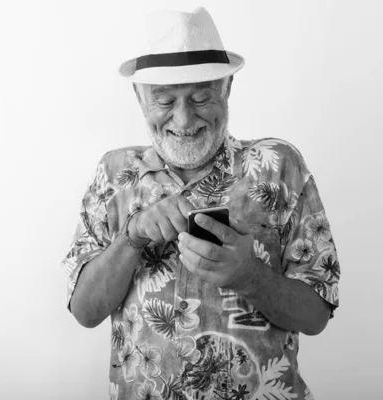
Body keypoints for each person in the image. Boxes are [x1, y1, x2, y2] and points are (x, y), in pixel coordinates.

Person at [61, 7, 339, 400]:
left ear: (226, 88)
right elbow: (84, 312)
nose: (184, 118)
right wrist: (132, 238)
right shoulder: (114, 174)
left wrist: (250, 276)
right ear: (139, 97)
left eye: (201, 96)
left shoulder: (279, 167)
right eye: (164, 100)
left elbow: (316, 316)